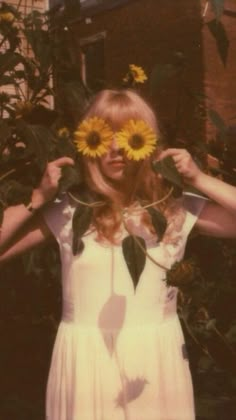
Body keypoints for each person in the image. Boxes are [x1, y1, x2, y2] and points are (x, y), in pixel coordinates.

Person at [0, 89, 236, 420]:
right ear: (89, 142)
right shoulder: (71, 210)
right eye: (104, 134)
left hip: (156, 364)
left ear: (146, 143)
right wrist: (38, 198)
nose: (114, 148)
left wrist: (199, 178)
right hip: (86, 363)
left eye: (128, 134)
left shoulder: (171, 210)